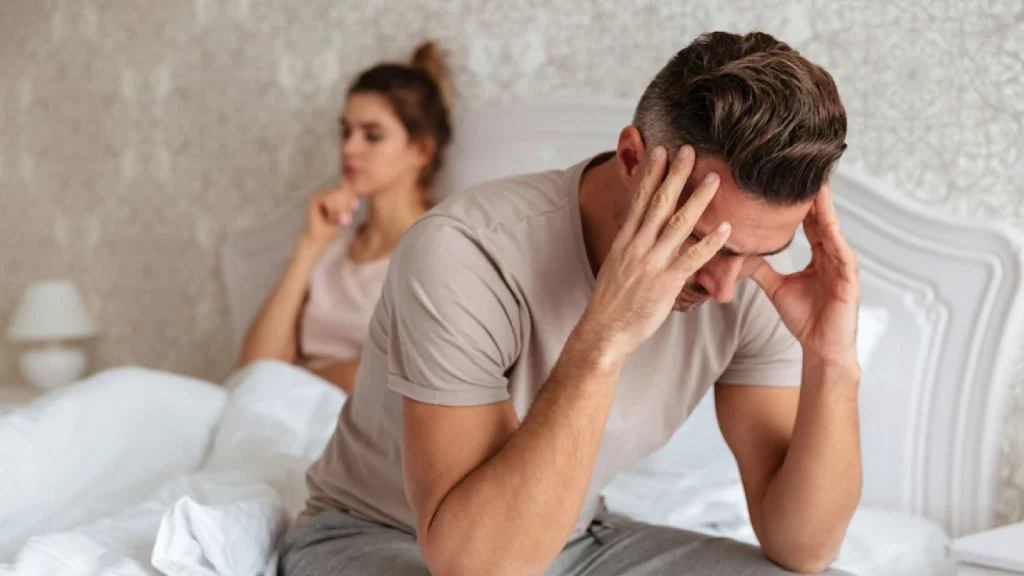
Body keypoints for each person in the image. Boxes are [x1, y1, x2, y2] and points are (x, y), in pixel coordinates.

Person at [282, 31, 861, 576]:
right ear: (634, 160)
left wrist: (831, 362)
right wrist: (605, 337)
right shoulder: (465, 250)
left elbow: (803, 548)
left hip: (571, 540)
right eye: (696, 238)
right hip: (383, 536)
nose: (725, 285)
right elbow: (476, 565)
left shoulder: (747, 276)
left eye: (759, 250)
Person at [239, 41, 453, 394]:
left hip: (360, 429)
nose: (349, 148)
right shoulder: (332, 243)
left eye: (372, 135)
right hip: (285, 412)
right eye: (345, 131)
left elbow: (402, 372)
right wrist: (311, 246)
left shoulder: (438, 250)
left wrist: (289, 385)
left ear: (421, 150)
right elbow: (253, 370)